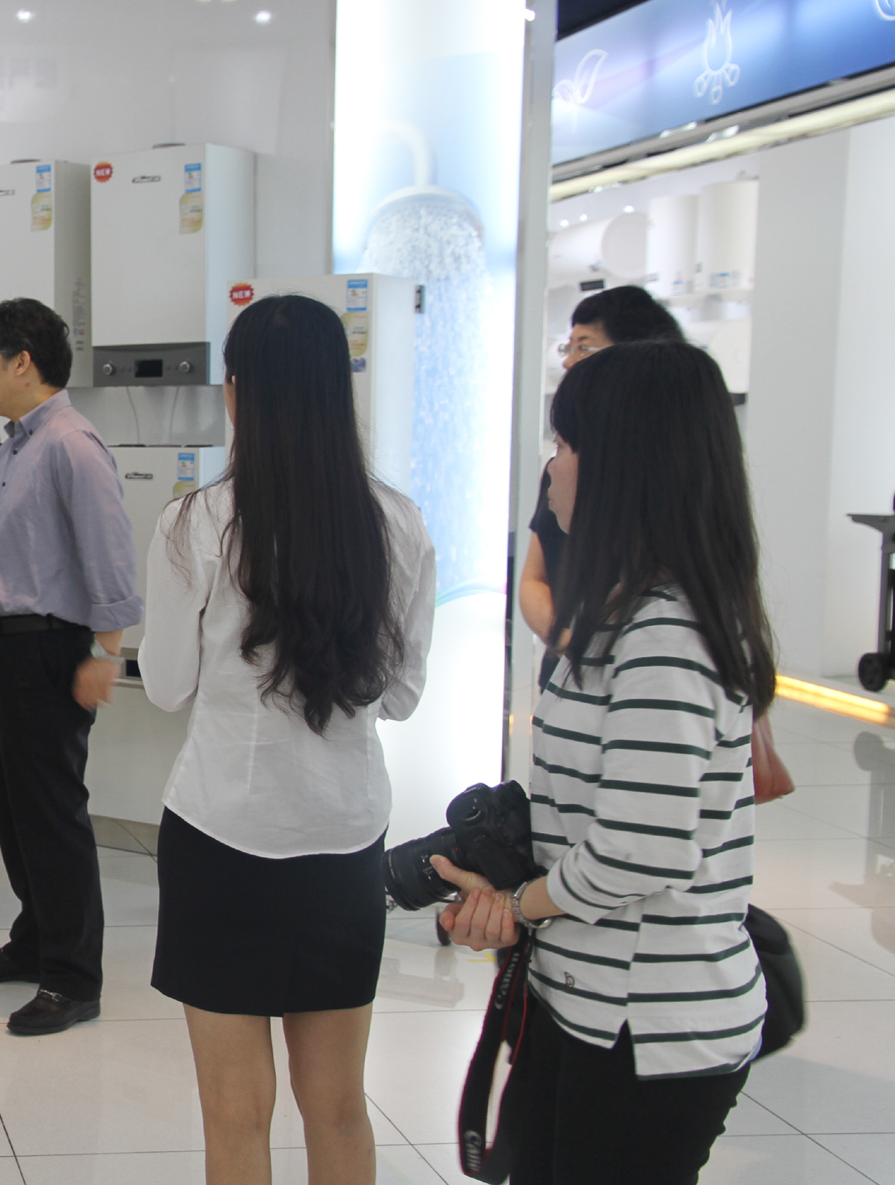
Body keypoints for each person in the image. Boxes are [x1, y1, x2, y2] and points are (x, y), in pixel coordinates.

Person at [435, 340, 772, 1184]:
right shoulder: (624, 610)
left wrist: (517, 905)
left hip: (647, 1026)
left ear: (624, 465)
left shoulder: (668, 632)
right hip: (584, 1000)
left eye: (564, 445)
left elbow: (640, 849)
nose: (551, 470)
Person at [138, 294, 435, 1185]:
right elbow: (402, 695)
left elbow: (166, 687)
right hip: (344, 837)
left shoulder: (194, 523)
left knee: (236, 1112)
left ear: (237, 393)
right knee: (338, 1106)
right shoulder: (397, 522)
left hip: (220, 831)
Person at [0, 298, 140, 1037]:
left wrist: (106, 652)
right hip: (6, 648)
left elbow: (110, 557)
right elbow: (10, 560)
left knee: (52, 815)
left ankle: (72, 977)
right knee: (14, 809)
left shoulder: (71, 444)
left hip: (48, 651)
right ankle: (34, 940)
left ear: (21, 361)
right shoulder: (15, 446)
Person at [519, 286, 682, 646]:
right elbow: (533, 579)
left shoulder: (663, 487)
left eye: (585, 347)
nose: (568, 362)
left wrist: (594, 654)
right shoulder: (562, 472)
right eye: (569, 347)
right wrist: (570, 646)